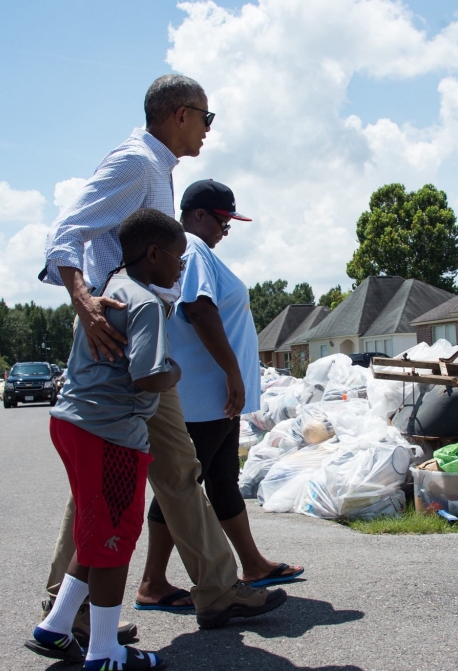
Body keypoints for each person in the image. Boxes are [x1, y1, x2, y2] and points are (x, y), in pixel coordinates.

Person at [40, 74, 286, 632]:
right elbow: (67, 231)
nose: (208, 128)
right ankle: (71, 609)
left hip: (145, 343)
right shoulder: (136, 163)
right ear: (180, 113)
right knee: (112, 482)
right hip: (125, 347)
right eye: (206, 116)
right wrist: (83, 298)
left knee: (175, 470)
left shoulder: (158, 171)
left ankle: (215, 590)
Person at [26, 209, 184, 671]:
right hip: (111, 433)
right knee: (115, 539)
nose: (180, 267)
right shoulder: (148, 303)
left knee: (94, 533)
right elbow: (149, 374)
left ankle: (56, 626)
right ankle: (103, 650)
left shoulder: (109, 287)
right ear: (153, 253)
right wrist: (175, 370)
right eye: (177, 257)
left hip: (71, 421)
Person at [136, 181, 303, 610]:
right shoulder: (190, 248)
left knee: (222, 480)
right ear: (197, 214)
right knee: (182, 486)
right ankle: (152, 582)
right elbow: (199, 309)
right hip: (202, 396)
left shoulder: (199, 251)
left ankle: (253, 563)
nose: (227, 227)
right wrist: (232, 370)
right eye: (223, 218)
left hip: (218, 399)